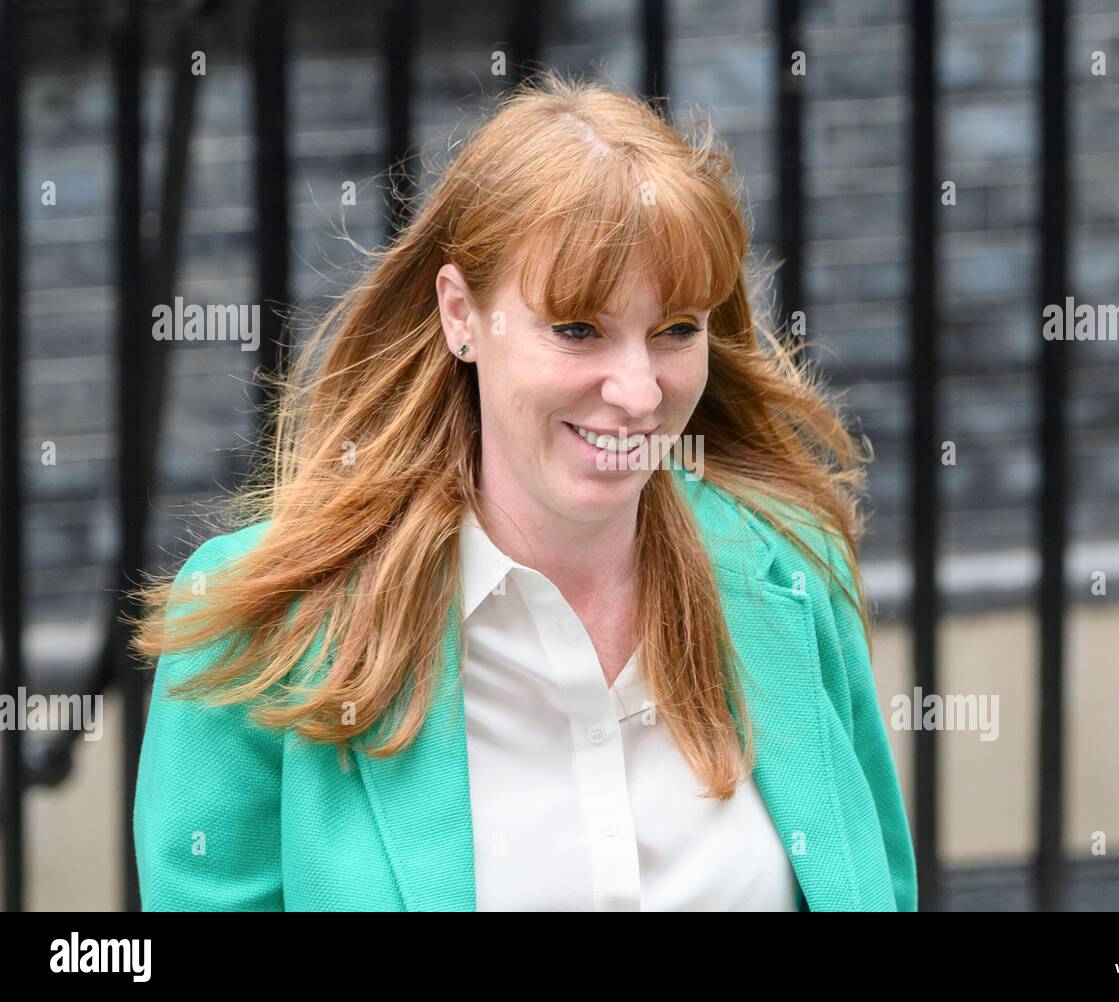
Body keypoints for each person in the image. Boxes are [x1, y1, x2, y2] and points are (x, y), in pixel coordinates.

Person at [129, 68, 917, 912]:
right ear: (461, 315)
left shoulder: (794, 570)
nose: (639, 391)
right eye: (578, 329)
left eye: (675, 330)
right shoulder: (260, 629)